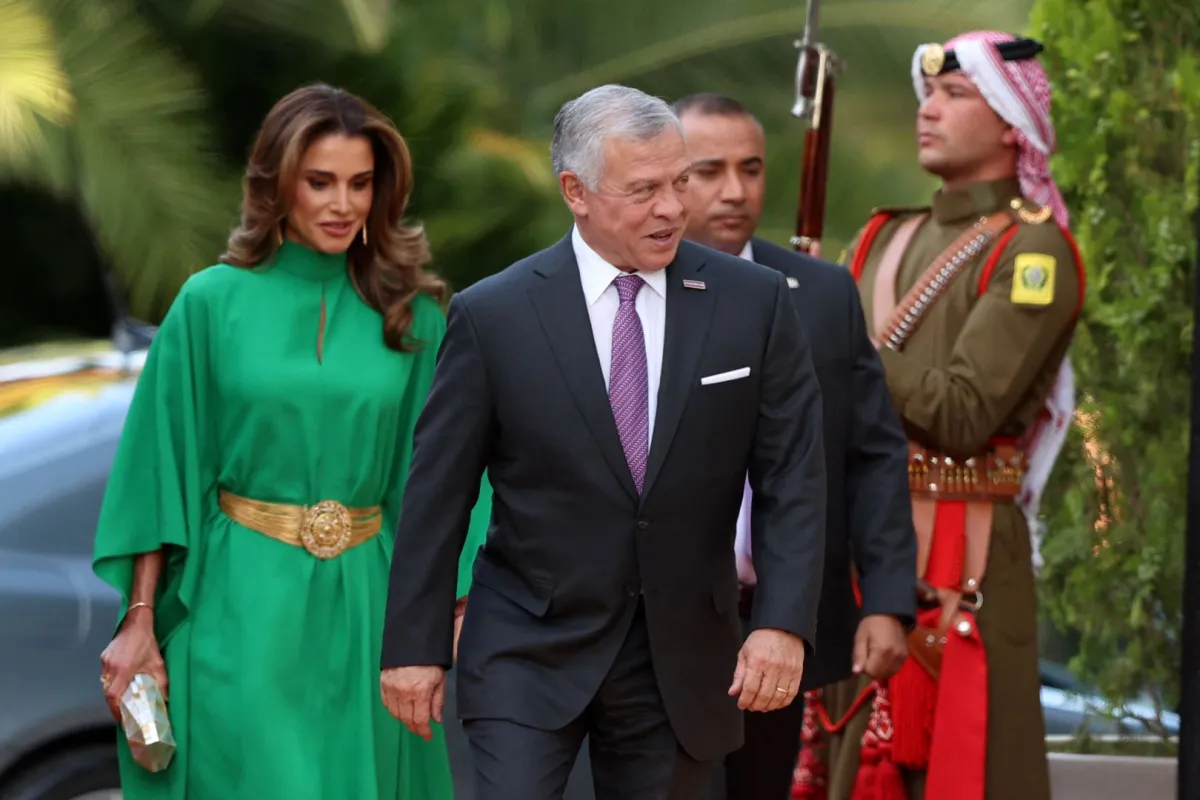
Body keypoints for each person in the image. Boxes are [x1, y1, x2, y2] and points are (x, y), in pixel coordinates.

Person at [378, 83, 828, 800]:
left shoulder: (755, 302)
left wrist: (781, 623)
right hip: (527, 643)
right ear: (575, 191)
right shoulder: (495, 315)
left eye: (680, 182)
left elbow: (794, 478)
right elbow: (439, 492)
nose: (674, 207)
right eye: (645, 188)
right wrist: (413, 646)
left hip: (682, 654)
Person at [92, 83, 489, 800]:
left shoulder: (415, 315)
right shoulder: (210, 303)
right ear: (279, 183)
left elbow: (444, 478)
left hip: (372, 609)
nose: (343, 204)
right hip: (239, 601)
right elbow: (162, 462)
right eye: (321, 182)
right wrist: (140, 619)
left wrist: (451, 612)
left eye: (361, 184)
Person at [793, 32, 1086, 800]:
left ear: (1013, 122)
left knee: (955, 766)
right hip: (860, 537)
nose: (930, 110)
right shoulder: (881, 238)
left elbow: (961, 413)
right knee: (840, 753)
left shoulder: (1033, 252)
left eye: (957, 96)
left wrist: (837, 339)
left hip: (967, 547)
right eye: (930, 95)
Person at [673, 92, 916, 800]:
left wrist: (887, 599)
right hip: (660, 616)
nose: (734, 191)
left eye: (750, 169)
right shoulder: (633, 297)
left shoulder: (821, 294)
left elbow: (872, 452)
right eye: (708, 170)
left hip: (779, 615)